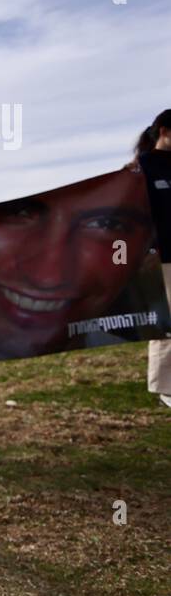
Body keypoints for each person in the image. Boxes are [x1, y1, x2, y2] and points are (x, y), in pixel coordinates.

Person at [0, 169, 155, 361]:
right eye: (16, 211)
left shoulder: (125, 366)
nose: (47, 278)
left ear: (148, 245)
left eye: (107, 223)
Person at [134, 109, 171, 408]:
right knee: (167, 325)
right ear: (164, 132)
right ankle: (165, 388)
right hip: (162, 259)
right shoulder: (143, 167)